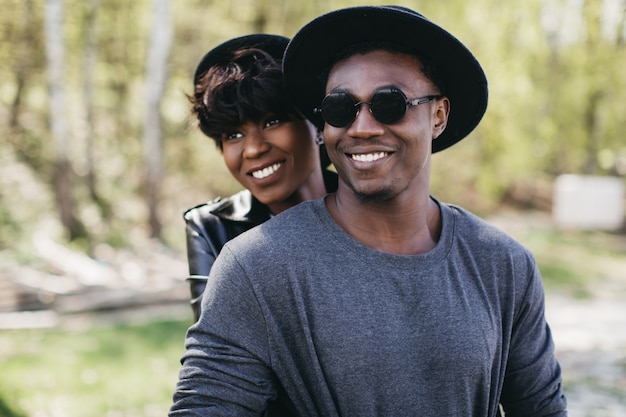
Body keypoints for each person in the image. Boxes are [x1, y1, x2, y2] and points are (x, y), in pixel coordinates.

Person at [170, 6, 567, 417]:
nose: (361, 127)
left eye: (389, 103)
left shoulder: (503, 264)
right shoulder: (251, 266)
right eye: (341, 108)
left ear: (439, 115)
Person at [183, 34, 337, 321]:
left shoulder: (371, 208)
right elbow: (220, 348)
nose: (253, 149)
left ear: (317, 125)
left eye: (272, 121)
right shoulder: (212, 228)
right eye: (234, 134)